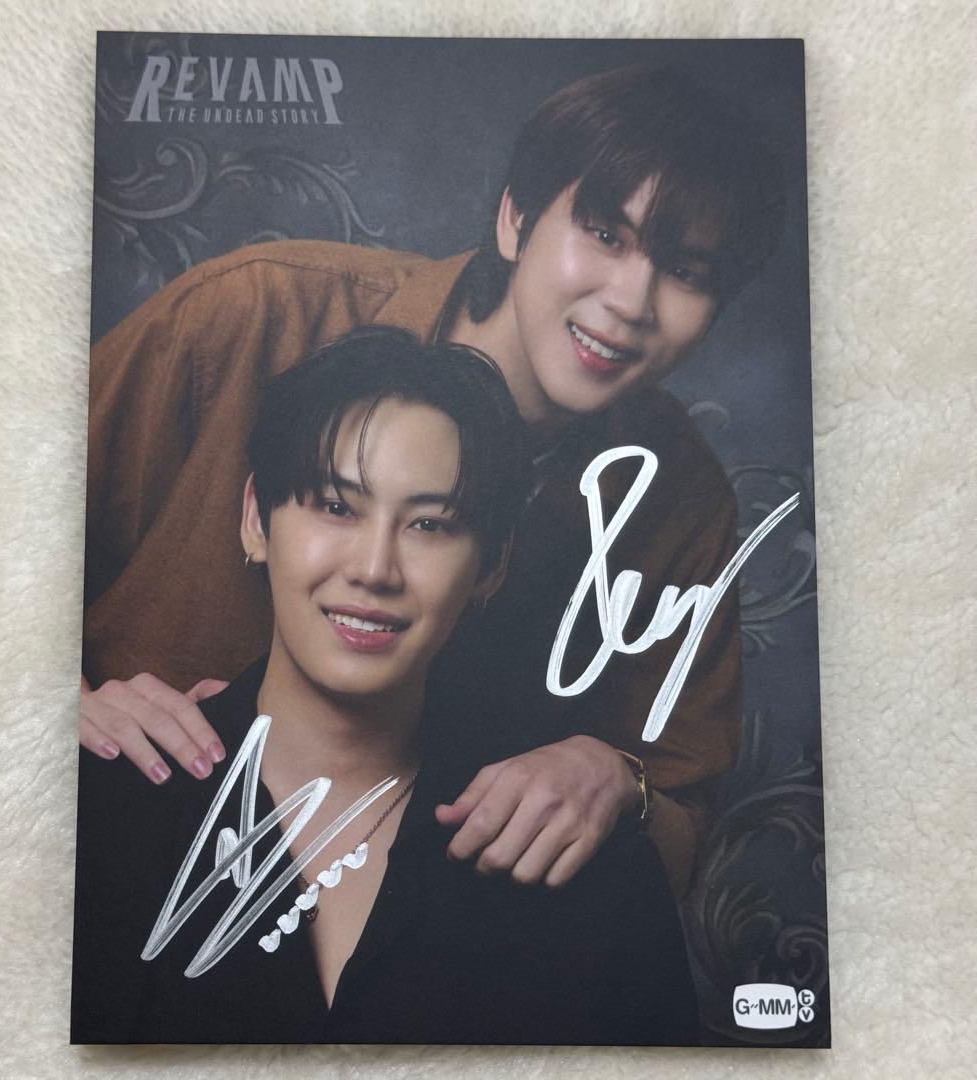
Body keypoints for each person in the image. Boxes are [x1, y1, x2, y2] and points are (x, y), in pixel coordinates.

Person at [79, 65, 785, 897]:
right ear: (516, 218)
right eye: (605, 233)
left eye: (688, 272)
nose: (632, 301)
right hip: (127, 875)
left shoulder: (676, 495)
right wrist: (61, 703)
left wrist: (617, 782)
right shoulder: (254, 313)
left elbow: (680, 836)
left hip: (421, 938)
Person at [71, 329, 699, 1045]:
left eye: (431, 524)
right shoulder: (102, 800)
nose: (374, 569)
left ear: (491, 566)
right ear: (255, 519)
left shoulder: (577, 851)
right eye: (336, 507)